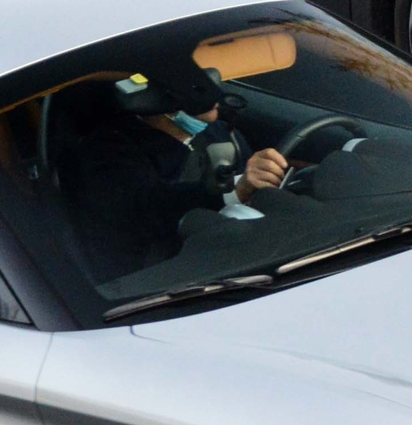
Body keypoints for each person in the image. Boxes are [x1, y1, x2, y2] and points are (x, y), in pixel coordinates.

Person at [63, 67, 291, 279]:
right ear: (161, 101)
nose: (214, 106)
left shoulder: (221, 131)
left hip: (250, 249)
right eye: (200, 99)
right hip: (172, 273)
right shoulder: (108, 149)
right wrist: (232, 190)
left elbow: (252, 186)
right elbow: (142, 208)